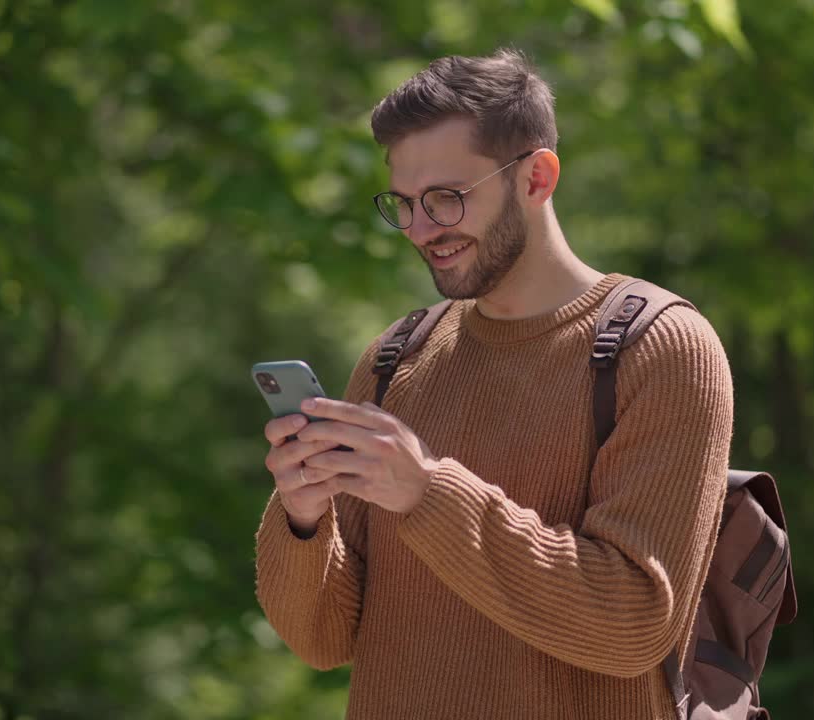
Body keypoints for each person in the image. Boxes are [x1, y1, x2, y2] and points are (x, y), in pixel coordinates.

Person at [254, 48, 733, 720]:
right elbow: (323, 640)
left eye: (447, 199)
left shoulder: (660, 346)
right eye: (405, 204)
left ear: (536, 177)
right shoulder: (396, 357)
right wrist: (304, 520)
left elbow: (630, 625)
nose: (421, 230)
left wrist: (426, 494)